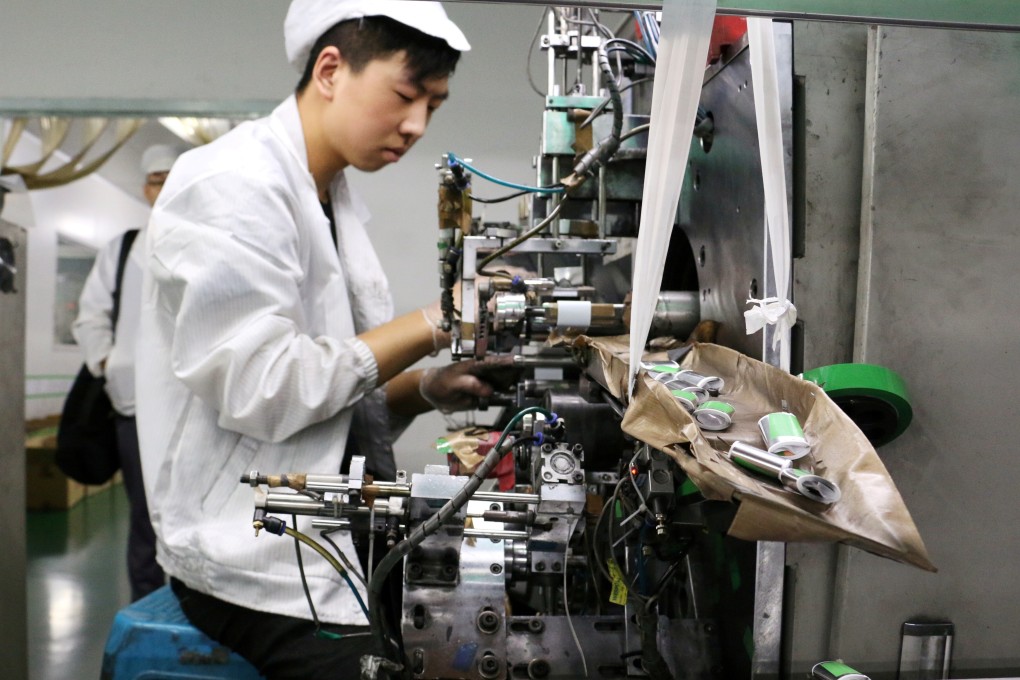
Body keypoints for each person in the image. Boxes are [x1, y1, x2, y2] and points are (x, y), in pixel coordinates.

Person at [134, 2, 495, 678]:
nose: (416, 125)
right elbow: (265, 386)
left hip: (324, 526)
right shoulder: (231, 184)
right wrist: (439, 320)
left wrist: (424, 387)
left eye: (434, 107)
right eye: (405, 95)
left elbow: (334, 378)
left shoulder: (328, 193)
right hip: (244, 553)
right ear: (331, 69)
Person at [72, 143, 188, 602]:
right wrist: (109, 364)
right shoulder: (121, 250)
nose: (165, 188)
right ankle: (147, 610)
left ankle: (192, 611)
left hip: (190, 411)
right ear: (146, 188)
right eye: (157, 180)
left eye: (172, 178)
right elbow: (90, 317)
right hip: (133, 410)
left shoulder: (204, 245)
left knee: (186, 517)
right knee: (145, 517)